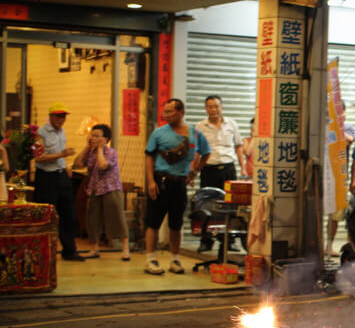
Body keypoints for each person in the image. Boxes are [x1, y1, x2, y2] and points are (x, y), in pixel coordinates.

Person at [144, 98, 211, 275]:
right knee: (153, 222)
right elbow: (149, 157)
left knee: (176, 224)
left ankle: (175, 259)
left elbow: (206, 153)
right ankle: (150, 259)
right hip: (160, 182)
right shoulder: (158, 133)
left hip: (180, 183)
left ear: (181, 112)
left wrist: (194, 172)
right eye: (164, 111)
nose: (165, 115)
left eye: (169, 112)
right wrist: (151, 181)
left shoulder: (195, 134)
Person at [35, 102, 84, 261]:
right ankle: (43, 251)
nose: (61, 119)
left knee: (69, 215)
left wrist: (65, 166)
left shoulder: (61, 132)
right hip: (46, 177)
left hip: (61, 176)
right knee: (47, 216)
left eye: (63, 116)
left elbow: (60, 155)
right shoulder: (41, 133)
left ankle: (69, 250)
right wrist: (62, 155)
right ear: (50, 116)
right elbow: (39, 157)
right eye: (57, 116)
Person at [195, 95, 243, 251]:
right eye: (210, 106)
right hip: (209, 170)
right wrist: (193, 171)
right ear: (206, 108)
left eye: (216, 106)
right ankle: (206, 241)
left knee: (230, 206)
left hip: (228, 169)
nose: (213, 109)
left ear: (221, 107)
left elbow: (238, 146)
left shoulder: (232, 124)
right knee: (206, 205)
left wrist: (242, 167)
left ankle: (228, 241)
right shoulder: (200, 127)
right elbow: (196, 151)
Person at [76, 124, 129, 260]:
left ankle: (125, 249)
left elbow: (102, 165)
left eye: (96, 136)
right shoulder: (90, 151)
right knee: (92, 219)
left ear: (105, 139)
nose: (93, 138)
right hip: (94, 189)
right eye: (92, 135)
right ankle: (94, 249)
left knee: (117, 217)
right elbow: (77, 163)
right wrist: (87, 148)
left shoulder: (111, 152)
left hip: (110, 188)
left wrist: (99, 149)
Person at [325, 122, 355, 257]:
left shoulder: (347, 127)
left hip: (339, 179)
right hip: (325, 174)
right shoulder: (323, 125)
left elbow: (349, 140)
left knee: (336, 216)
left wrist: (336, 127)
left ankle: (329, 247)